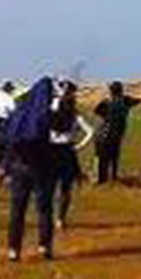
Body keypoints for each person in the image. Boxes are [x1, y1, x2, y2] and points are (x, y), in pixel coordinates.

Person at [3, 77, 58, 262]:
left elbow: (8, 141)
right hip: (42, 168)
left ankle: (13, 249)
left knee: (17, 210)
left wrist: (5, 165)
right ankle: (44, 247)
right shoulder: (48, 116)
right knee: (44, 209)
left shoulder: (19, 113)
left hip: (19, 167)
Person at [47, 82, 94, 231]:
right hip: (68, 151)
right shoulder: (75, 115)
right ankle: (60, 219)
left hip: (52, 150)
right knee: (65, 188)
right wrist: (79, 146)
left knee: (50, 186)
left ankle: (49, 216)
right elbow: (90, 131)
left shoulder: (52, 114)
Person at [91, 81, 141, 186]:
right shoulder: (125, 101)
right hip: (114, 136)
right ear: (121, 90)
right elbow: (137, 101)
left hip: (103, 135)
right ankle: (111, 179)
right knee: (113, 158)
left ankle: (101, 180)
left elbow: (96, 110)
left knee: (102, 159)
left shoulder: (107, 102)